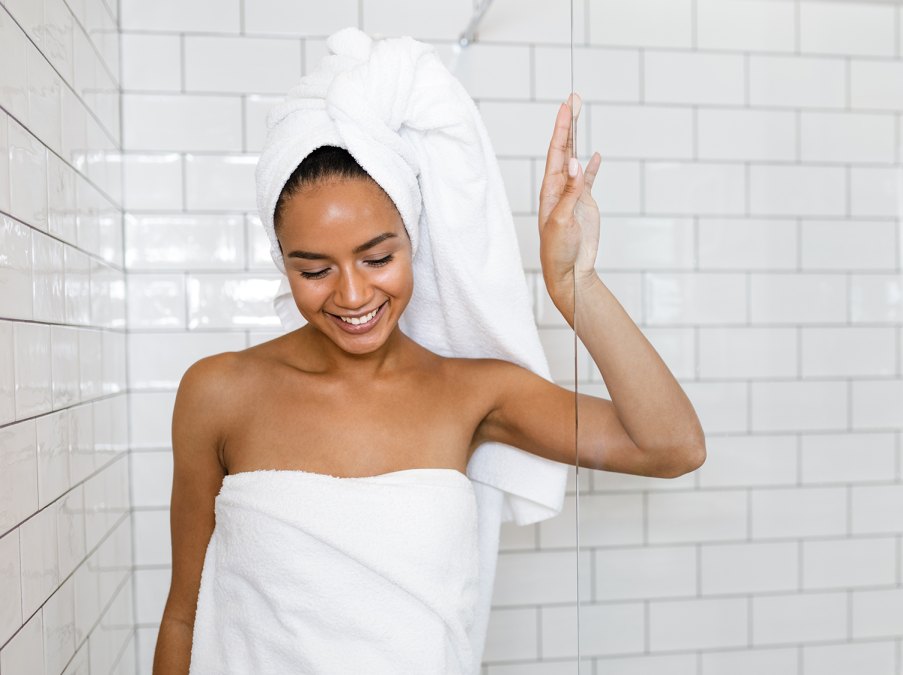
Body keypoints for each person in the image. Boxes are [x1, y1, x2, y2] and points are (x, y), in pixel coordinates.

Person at [152, 90, 706, 674]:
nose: (353, 295)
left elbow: (672, 447)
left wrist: (575, 285)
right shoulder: (218, 392)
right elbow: (184, 616)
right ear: (281, 259)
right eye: (314, 270)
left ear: (413, 239)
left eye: (377, 258)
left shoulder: (470, 394)